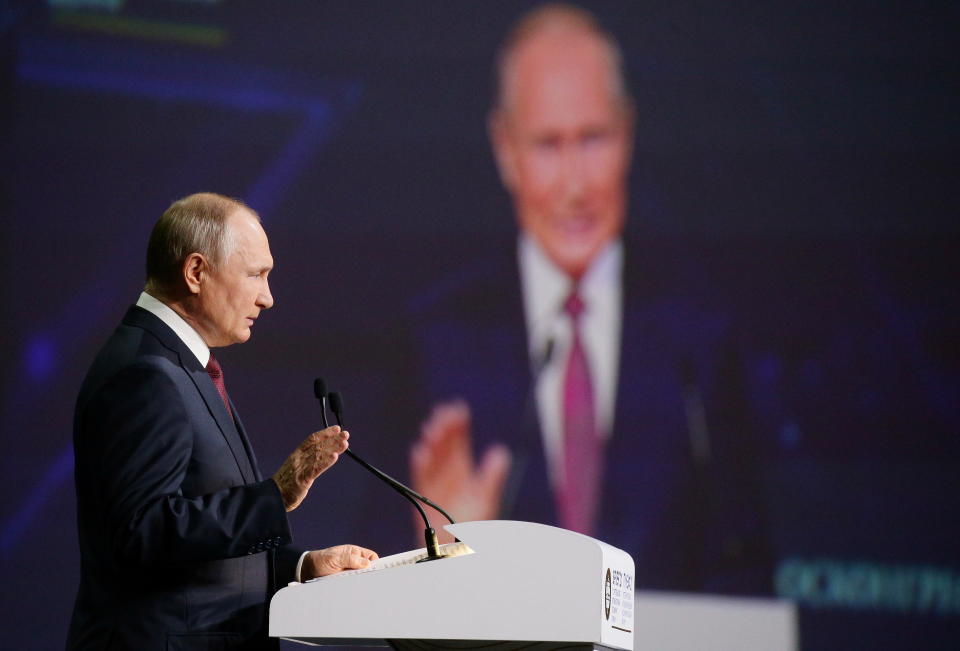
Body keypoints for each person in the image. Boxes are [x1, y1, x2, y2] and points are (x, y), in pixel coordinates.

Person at [407, 4, 768, 593]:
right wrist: (438, 556)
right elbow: (367, 592)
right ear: (506, 149)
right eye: (548, 144)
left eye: (593, 138)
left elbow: (747, 575)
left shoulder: (699, 341)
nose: (575, 185)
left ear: (627, 132)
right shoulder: (437, 341)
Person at [67, 193, 378, 650]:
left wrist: (302, 566)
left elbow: (195, 544)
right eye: (256, 274)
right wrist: (275, 494)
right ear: (196, 273)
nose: (268, 298)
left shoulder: (179, 367)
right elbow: (141, 532)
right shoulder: (145, 374)